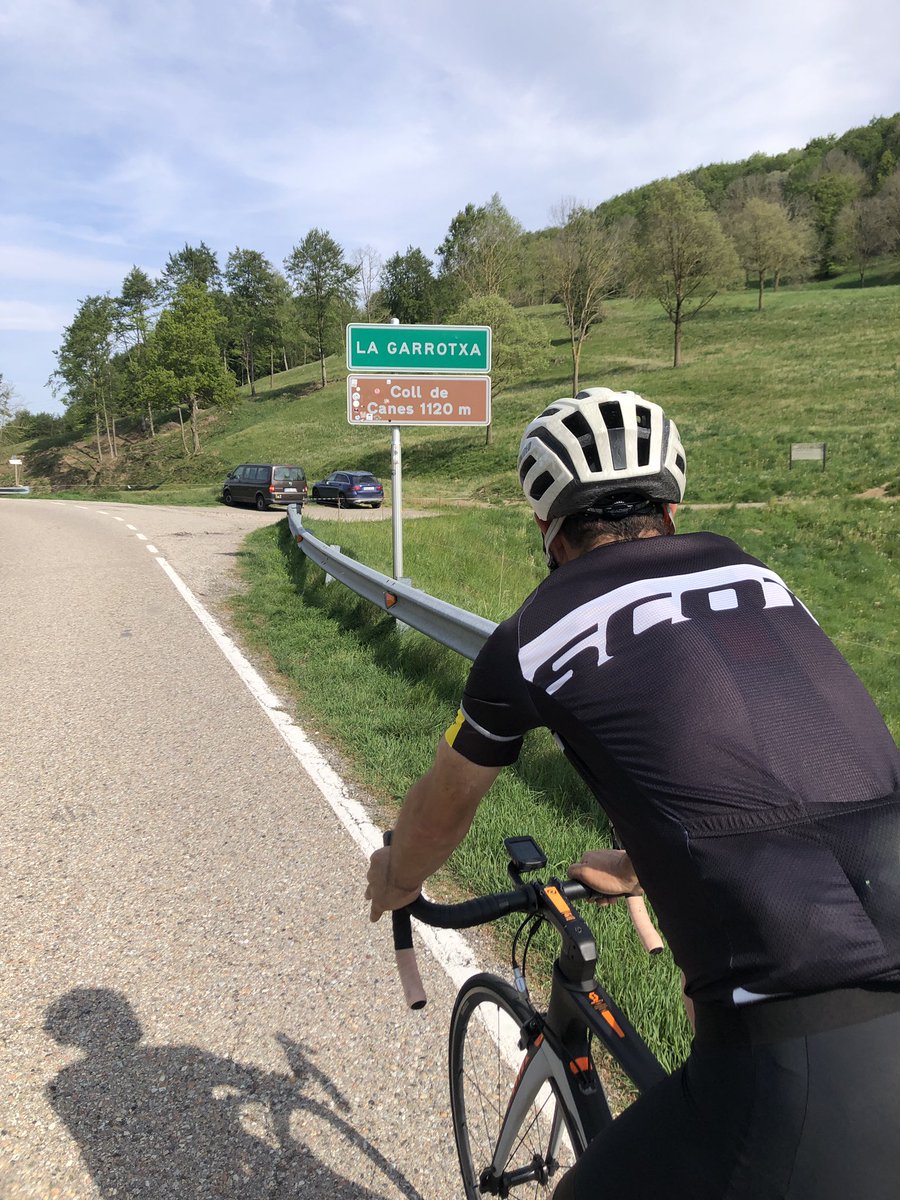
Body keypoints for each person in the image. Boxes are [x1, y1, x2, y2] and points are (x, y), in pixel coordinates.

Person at [366, 387, 900, 1200]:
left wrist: (400, 878)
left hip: (811, 1042)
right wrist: (644, 858)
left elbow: (448, 799)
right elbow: (775, 760)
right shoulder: (762, 582)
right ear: (672, 512)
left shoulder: (533, 635)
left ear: (549, 530)